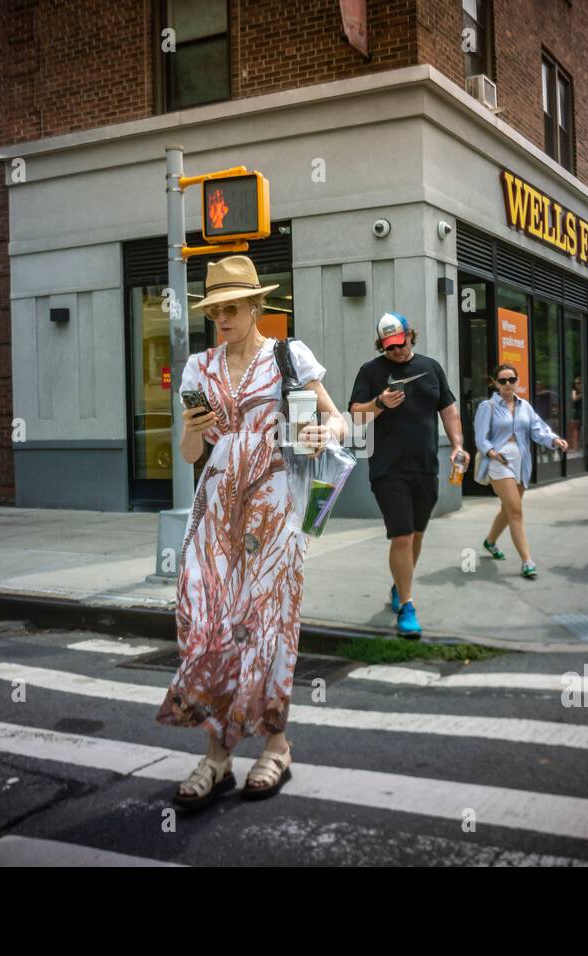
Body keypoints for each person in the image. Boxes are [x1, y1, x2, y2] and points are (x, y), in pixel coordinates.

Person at [158, 254, 347, 809]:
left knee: (268, 626)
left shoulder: (288, 355)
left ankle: (276, 746)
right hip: (216, 505)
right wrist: (192, 431)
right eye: (215, 310)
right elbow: (193, 453)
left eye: (232, 307)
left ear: (257, 305)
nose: (222, 318)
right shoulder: (198, 368)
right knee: (210, 625)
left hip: (275, 501)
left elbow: (338, 420)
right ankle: (218, 755)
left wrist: (320, 432)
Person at [348, 312, 467, 637]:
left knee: (415, 536)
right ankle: (407, 605)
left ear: (410, 335)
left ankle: (400, 586)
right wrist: (380, 403)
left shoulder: (431, 368)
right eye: (389, 347)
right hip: (388, 469)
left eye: (400, 344)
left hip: (426, 467)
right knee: (401, 536)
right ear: (382, 345)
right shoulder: (371, 372)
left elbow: (448, 410)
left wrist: (457, 445)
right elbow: (357, 416)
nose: (397, 351)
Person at [474, 363, 569, 578]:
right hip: (500, 461)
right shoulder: (487, 407)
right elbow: (481, 438)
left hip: (522, 461)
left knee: (509, 510)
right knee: (515, 511)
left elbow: (538, 429)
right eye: (503, 381)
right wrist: (492, 454)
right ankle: (527, 560)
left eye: (512, 380)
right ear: (495, 383)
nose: (508, 384)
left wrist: (554, 439)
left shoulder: (525, 406)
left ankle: (490, 542)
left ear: (517, 382)